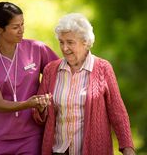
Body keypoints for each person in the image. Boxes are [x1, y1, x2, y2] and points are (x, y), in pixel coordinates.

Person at [33, 13, 135, 155]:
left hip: (93, 150)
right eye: (61, 42)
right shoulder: (50, 70)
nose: (64, 48)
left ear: (85, 42)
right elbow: (38, 115)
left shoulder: (103, 68)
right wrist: (41, 108)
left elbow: (117, 112)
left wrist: (127, 148)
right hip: (58, 150)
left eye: (70, 42)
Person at [0, 1, 58, 155]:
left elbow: (61, 73)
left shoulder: (36, 49)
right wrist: (29, 103)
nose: (21, 30)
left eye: (22, 24)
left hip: (31, 136)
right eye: (15, 27)